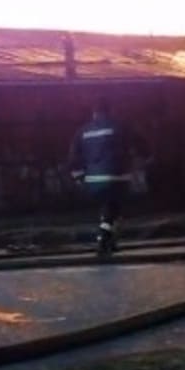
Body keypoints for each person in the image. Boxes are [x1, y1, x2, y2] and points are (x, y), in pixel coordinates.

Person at [69, 99, 148, 257]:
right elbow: (141, 145)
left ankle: (109, 239)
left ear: (94, 113)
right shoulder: (120, 126)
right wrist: (144, 158)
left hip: (92, 181)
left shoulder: (82, 131)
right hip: (117, 177)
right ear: (110, 111)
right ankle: (103, 237)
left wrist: (78, 178)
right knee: (114, 207)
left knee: (108, 206)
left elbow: (73, 158)